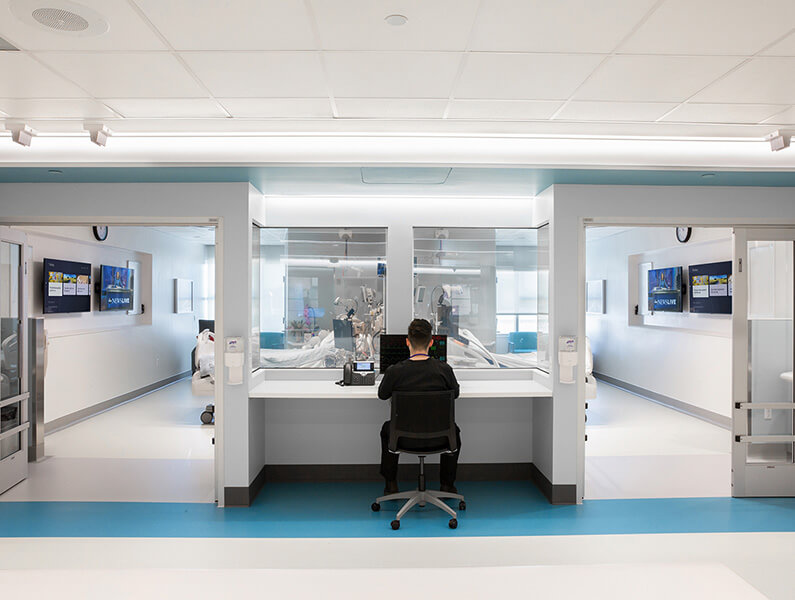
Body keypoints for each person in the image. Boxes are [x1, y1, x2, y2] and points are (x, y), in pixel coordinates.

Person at [377, 318, 461, 495]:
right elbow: (456, 393)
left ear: (407, 342)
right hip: (440, 439)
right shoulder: (444, 370)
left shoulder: (395, 371)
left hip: (403, 439)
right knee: (454, 430)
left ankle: (391, 484)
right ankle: (447, 484)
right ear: (431, 342)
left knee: (387, 429)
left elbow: (382, 395)